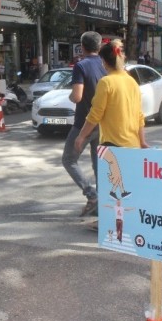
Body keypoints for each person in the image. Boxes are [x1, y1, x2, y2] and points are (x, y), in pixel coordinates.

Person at [74, 38, 149, 152]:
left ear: (103, 61)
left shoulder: (106, 82)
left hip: (113, 146)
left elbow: (95, 114)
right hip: (134, 145)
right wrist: (142, 142)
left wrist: (81, 136)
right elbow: (139, 115)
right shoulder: (132, 81)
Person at [62, 31, 106, 217]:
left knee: (69, 160)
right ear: (99, 46)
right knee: (98, 164)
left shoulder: (81, 66)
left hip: (84, 123)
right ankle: (103, 203)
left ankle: (92, 195)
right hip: (103, 123)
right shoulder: (106, 64)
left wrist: (71, 96)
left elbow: (77, 95)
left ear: (83, 46)